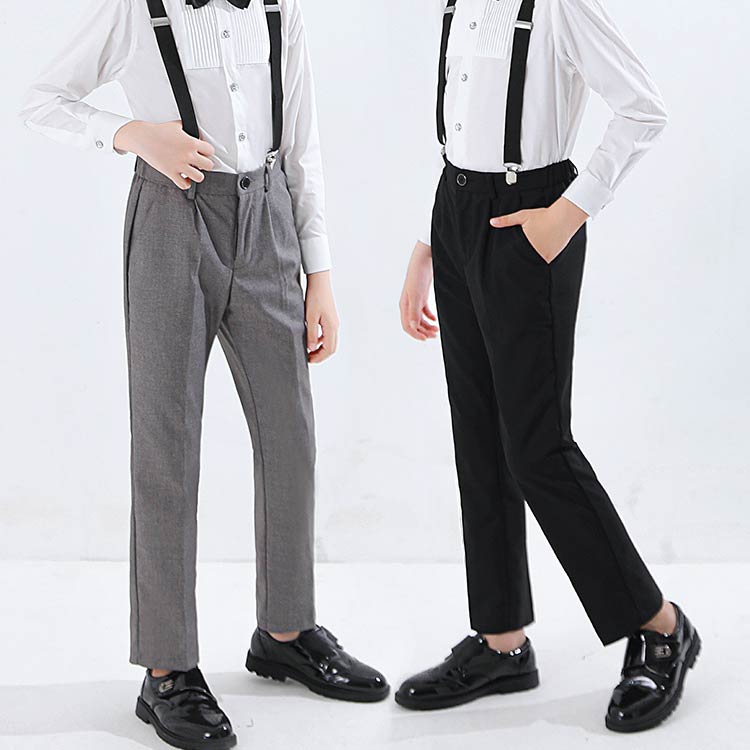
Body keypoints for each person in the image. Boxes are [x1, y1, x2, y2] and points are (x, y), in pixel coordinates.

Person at [21, 1, 388, 748]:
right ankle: (166, 670)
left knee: (290, 434)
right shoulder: (136, 10)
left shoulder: (281, 9)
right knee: (166, 443)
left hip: (270, 219)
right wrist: (131, 133)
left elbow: (302, 139)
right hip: (171, 221)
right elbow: (41, 100)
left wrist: (319, 272)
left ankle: (285, 631)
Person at [396, 0, 699, 732]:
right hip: (456, 213)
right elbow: (464, 127)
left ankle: (660, 626)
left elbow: (643, 109)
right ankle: (501, 641)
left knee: (538, 449)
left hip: (532, 219)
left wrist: (569, 212)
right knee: (479, 436)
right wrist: (429, 244)